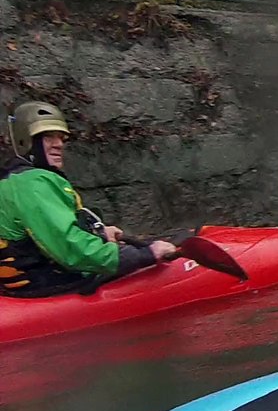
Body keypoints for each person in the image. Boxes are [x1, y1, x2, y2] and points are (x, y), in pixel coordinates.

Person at [0, 101, 176, 298]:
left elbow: (44, 233)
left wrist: (98, 233)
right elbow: (69, 246)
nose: (59, 144)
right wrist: (144, 255)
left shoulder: (13, 180)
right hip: (46, 283)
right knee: (145, 260)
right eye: (48, 137)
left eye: (61, 138)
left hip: (27, 281)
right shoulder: (34, 183)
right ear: (27, 141)